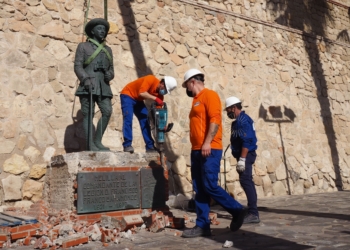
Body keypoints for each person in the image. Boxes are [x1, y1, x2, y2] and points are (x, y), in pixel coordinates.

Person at [181, 69, 246, 238]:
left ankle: (237, 210)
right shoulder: (196, 100)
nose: (186, 89)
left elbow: (215, 119)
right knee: (199, 189)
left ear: (192, 82)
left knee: (209, 185)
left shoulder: (210, 95)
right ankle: (202, 226)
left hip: (209, 148)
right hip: (197, 150)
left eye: (186, 85)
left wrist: (208, 142)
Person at [74, 18, 114, 151]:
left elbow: (112, 70)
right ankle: (90, 144)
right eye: (99, 28)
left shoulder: (108, 49)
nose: (102, 31)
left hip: (103, 86)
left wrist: (109, 74)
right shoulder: (83, 46)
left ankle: (98, 141)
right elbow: (78, 66)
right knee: (88, 114)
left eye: (104, 29)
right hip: (88, 84)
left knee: (107, 111)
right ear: (92, 31)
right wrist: (85, 79)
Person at [224, 96, 260, 224]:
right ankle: (252, 211)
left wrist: (242, 159)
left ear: (234, 108)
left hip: (246, 154)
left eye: (228, 110)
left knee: (246, 181)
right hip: (243, 154)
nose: (227, 113)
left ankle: (253, 213)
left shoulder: (242, 120)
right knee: (246, 181)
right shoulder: (239, 121)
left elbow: (247, 140)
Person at [120, 75, 177, 153]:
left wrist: (162, 124)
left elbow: (159, 113)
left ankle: (150, 147)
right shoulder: (151, 79)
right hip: (127, 94)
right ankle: (127, 145)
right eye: (165, 89)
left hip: (138, 100)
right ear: (162, 83)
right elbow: (142, 93)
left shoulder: (160, 96)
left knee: (145, 120)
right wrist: (155, 98)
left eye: (167, 91)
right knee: (128, 118)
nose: (165, 92)